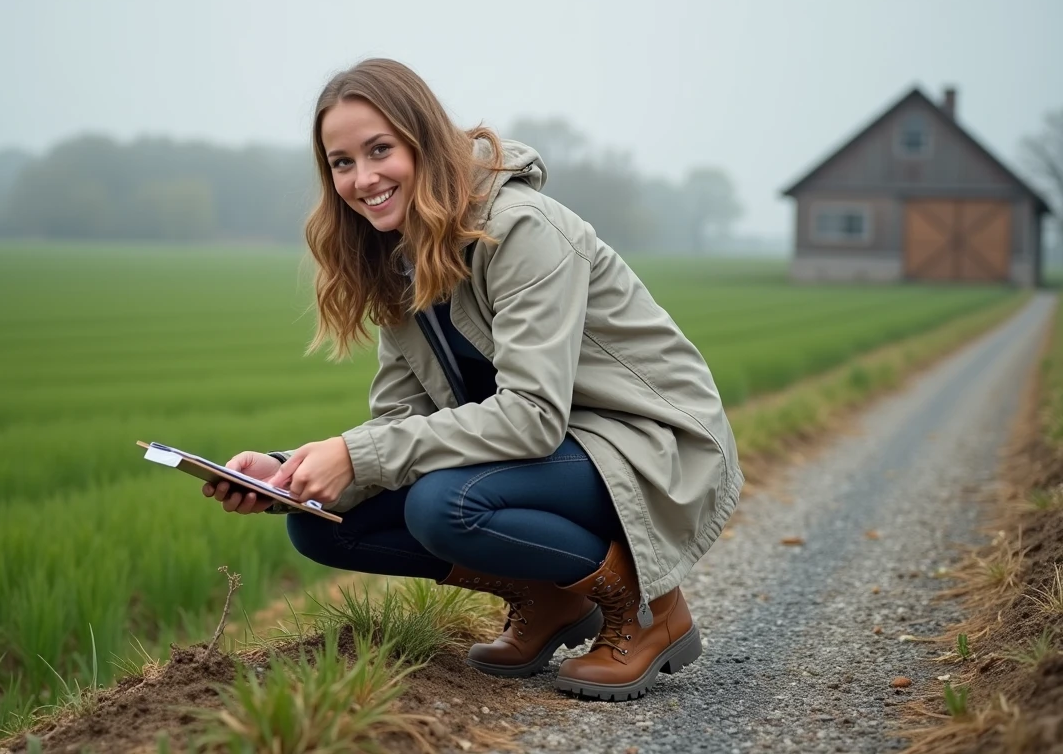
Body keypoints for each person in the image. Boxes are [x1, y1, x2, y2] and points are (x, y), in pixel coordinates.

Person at [201, 58, 744, 702]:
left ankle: (650, 612)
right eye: (341, 162)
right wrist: (288, 471)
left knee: (447, 505)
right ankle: (548, 599)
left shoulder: (522, 228)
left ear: (422, 141)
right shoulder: (395, 256)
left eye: (380, 150)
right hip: (557, 445)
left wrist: (355, 454)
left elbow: (531, 415)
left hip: (646, 442)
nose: (363, 178)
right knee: (320, 521)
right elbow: (400, 421)